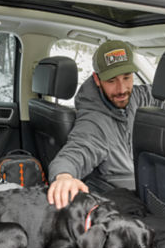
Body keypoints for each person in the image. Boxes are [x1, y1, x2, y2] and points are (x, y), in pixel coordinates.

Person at [46, 40, 156, 209]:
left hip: (147, 186)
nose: (121, 89)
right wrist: (64, 176)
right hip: (124, 201)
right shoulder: (94, 120)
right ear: (97, 79)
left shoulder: (134, 96)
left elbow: (157, 93)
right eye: (111, 81)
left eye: (127, 77)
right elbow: (77, 150)